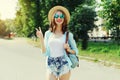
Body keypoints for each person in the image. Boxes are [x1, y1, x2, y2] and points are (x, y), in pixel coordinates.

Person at [36, 6, 78, 80]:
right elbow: (44, 53)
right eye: (56, 16)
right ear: (53, 18)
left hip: (64, 64)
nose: (59, 18)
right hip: (51, 64)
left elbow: (76, 51)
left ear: (64, 18)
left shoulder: (68, 34)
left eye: (61, 16)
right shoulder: (48, 34)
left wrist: (68, 49)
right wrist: (41, 39)